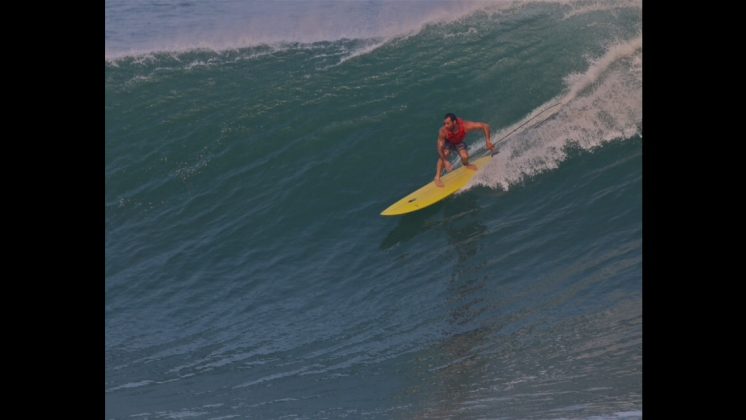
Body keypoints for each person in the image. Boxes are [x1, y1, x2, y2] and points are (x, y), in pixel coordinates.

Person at [434, 113, 494, 187]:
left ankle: (466, 164)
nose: (445, 125)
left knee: (465, 157)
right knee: (445, 153)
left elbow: (485, 126)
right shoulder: (443, 131)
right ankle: (437, 177)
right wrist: (446, 161)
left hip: (458, 142)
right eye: (444, 123)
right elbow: (439, 148)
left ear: (454, 122)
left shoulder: (465, 126)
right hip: (448, 142)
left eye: (448, 123)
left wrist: (488, 141)